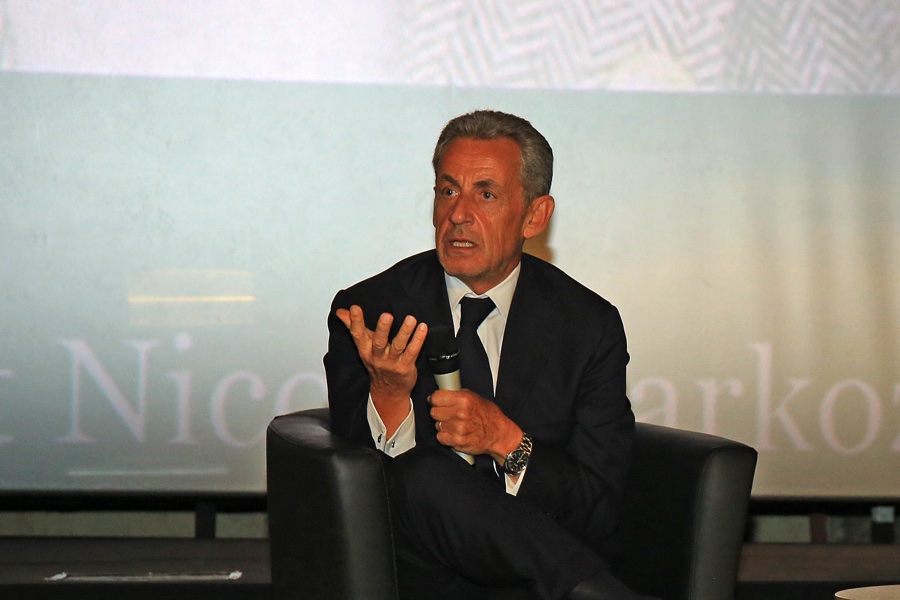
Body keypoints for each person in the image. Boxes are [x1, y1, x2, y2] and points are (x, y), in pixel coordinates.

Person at [324, 110, 654, 600]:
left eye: (486, 195)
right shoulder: (372, 312)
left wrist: (506, 441)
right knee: (424, 475)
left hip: (534, 577)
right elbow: (356, 493)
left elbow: (597, 502)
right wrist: (390, 397)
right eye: (447, 191)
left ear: (535, 216)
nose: (458, 214)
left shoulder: (586, 325)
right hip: (421, 576)